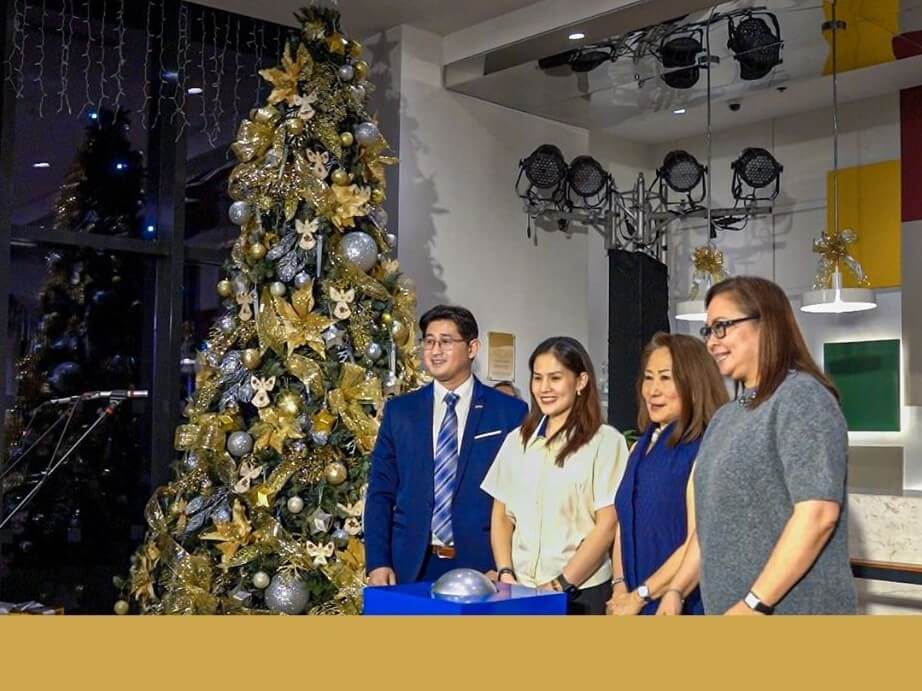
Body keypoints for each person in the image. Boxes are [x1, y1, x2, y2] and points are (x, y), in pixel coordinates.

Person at [672, 276, 857, 615]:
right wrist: (676, 590)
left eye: (722, 327)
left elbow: (818, 514)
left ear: (766, 324)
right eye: (708, 331)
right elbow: (711, 526)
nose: (712, 342)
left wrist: (754, 602)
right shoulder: (726, 417)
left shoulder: (802, 397)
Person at [365, 305, 528, 585]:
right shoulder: (401, 411)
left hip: (483, 567)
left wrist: (504, 566)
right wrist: (378, 562)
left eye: (446, 341)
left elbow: (520, 497)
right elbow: (381, 491)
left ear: (472, 348)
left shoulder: (509, 412)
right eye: (429, 341)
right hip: (410, 565)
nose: (435, 350)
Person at [481, 337, 628, 615]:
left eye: (555, 378)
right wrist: (505, 571)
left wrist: (561, 584)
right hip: (520, 591)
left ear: (581, 381)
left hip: (579, 595)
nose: (544, 388)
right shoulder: (517, 440)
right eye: (538, 378)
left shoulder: (606, 442)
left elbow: (607, 525)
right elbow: (501, 514)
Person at [606, 333, 727, 616]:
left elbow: (699, 539)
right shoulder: (639, 447)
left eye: (665, 378)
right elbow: (624, 522)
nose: (653, 390)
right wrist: (620, 586)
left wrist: (641, 596)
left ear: (694, 384)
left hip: (680, 603)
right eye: (648, 378)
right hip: (632, 603)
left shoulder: (705, 447)